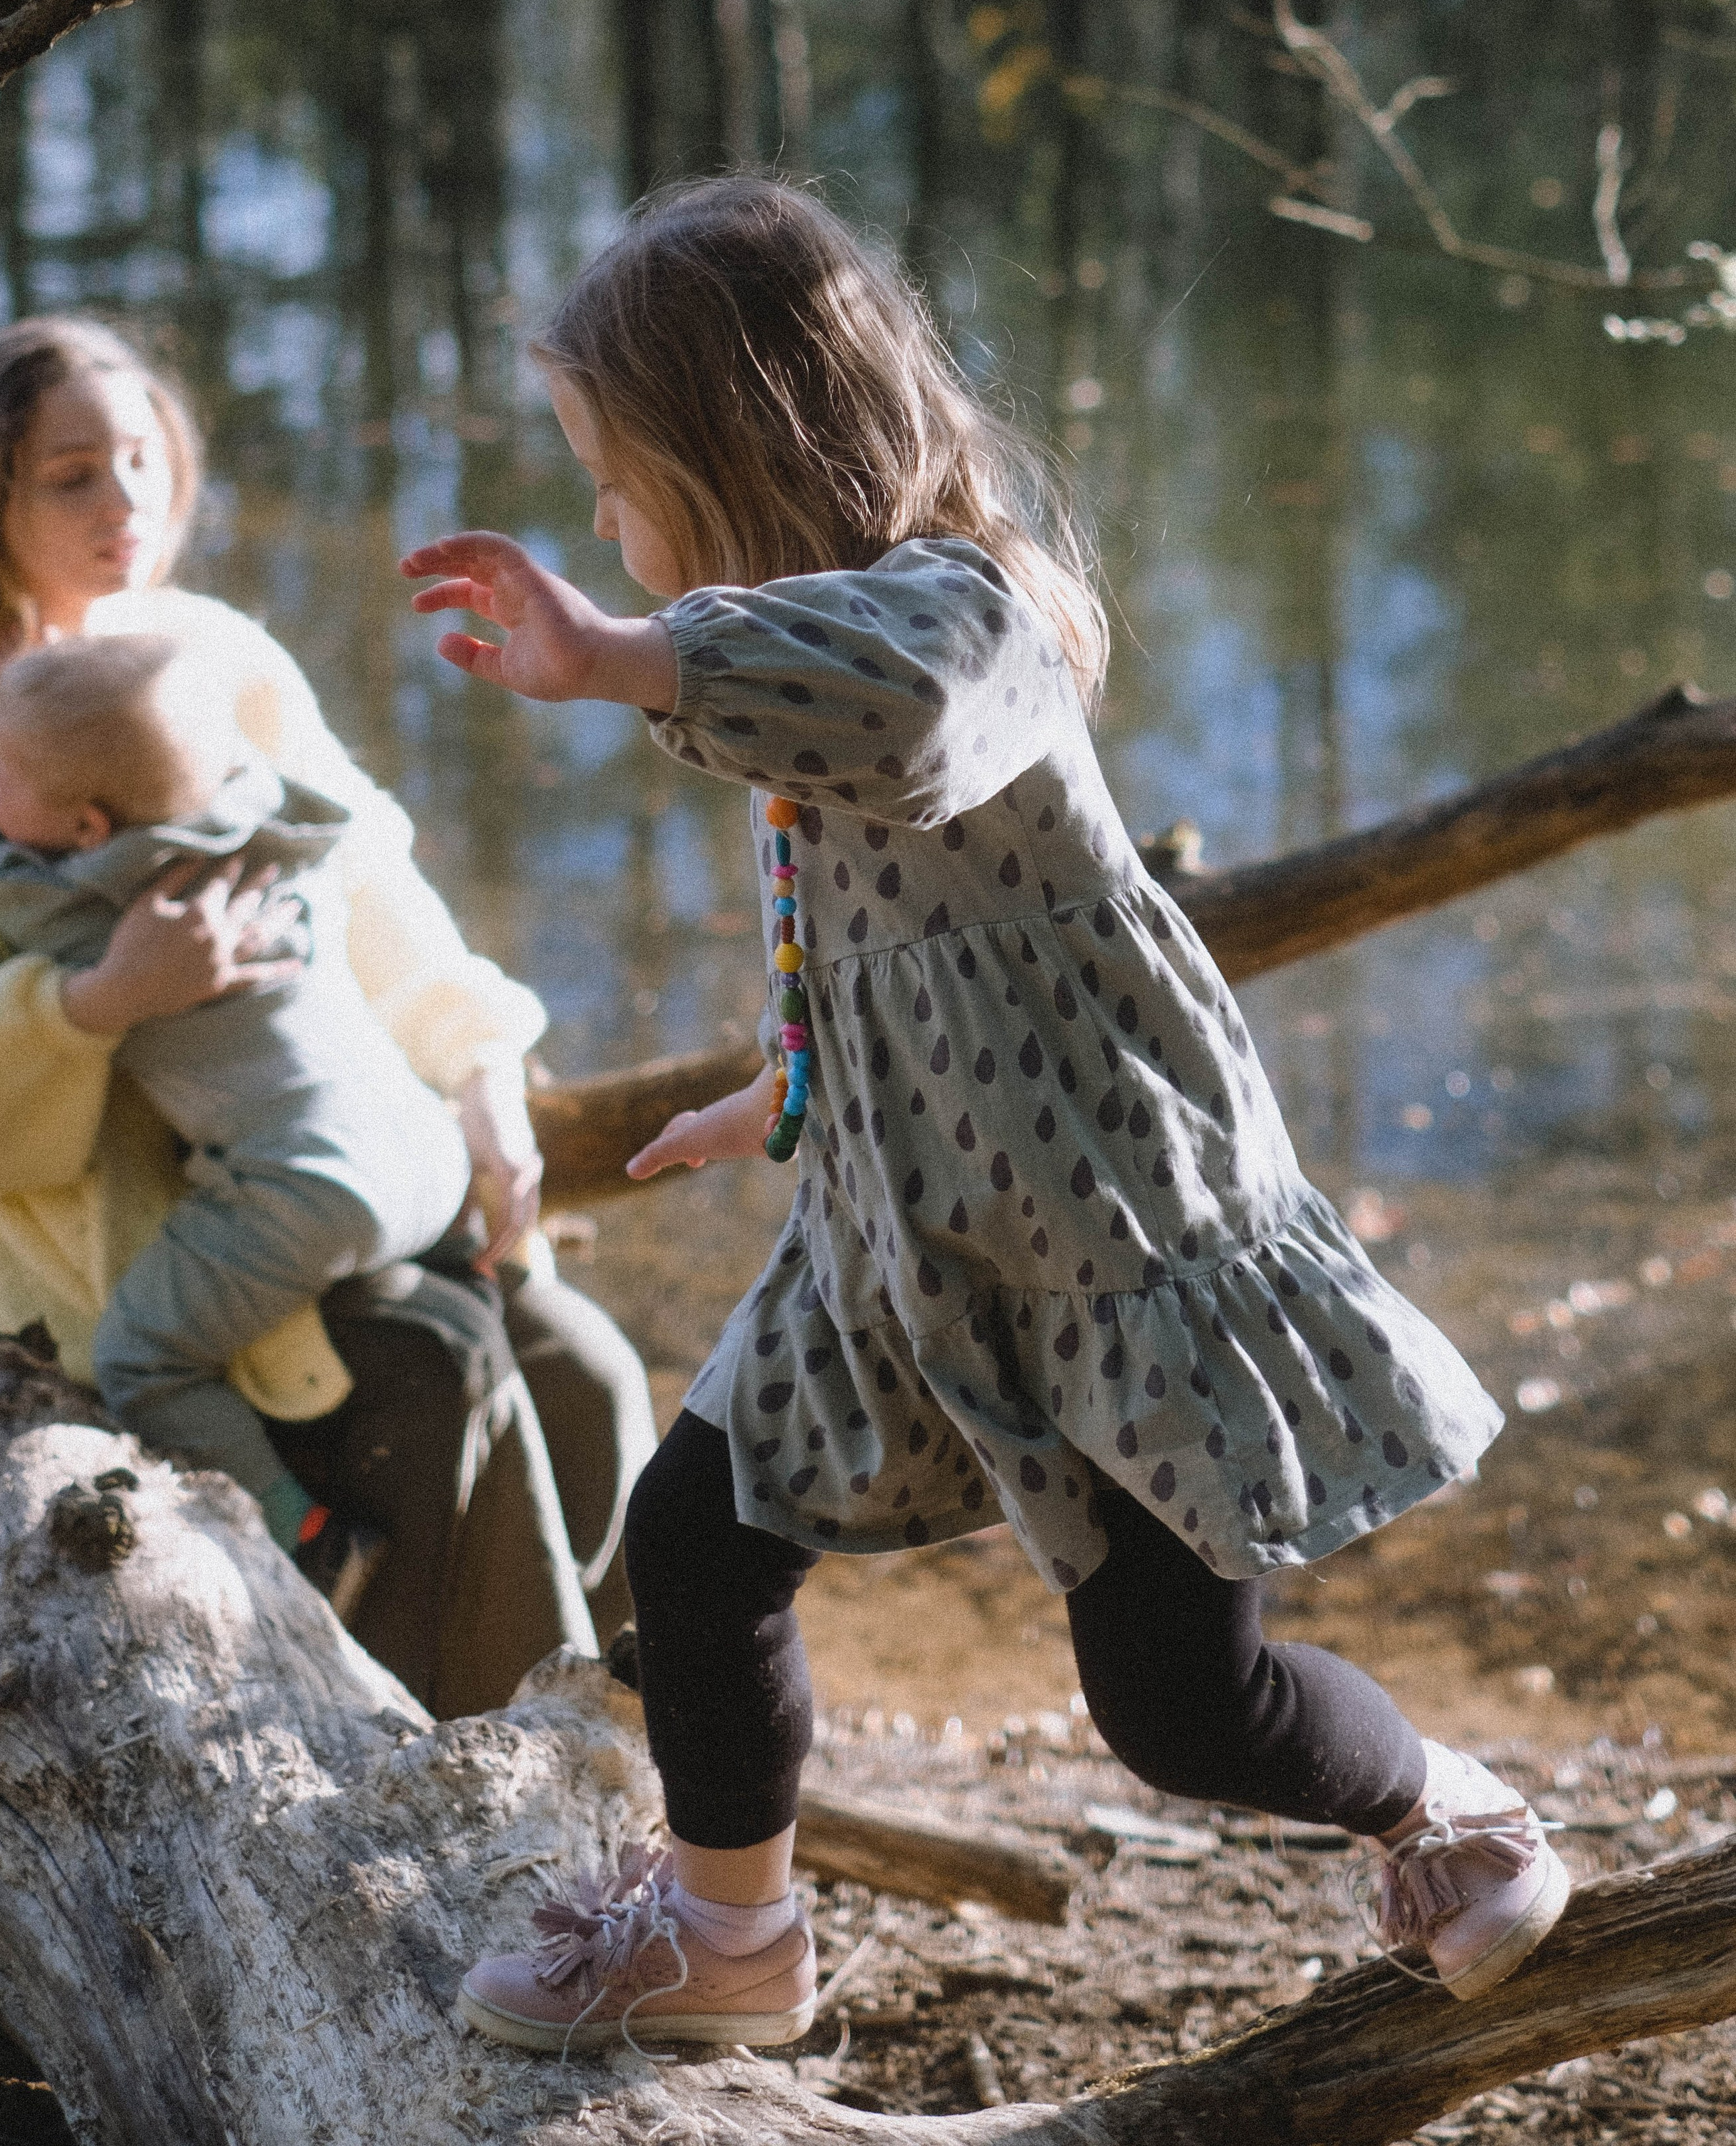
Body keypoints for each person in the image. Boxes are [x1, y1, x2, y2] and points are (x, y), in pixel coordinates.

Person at [407, 176, 1571, 2057]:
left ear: (740, 452)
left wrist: (619, 655)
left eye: (616, 482)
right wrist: (782, 1090)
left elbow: (911, 727)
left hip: (1108, 1251)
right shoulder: (791, 667)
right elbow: (875, 927)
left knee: (1182, 1711)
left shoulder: (975, 608)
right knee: (696, 1532)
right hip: (901, 1230)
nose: (604, 526)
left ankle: (1450, 1808)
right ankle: (729, 1932)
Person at [0, 316, 655, 1713]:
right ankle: (470, 1783)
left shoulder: (212, 656)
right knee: (444, 1379)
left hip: (306, 1150)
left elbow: (362, 874)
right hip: (96, 1251)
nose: (125, 501)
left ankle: (624, 1738)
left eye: (143, 460)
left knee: (591, 1371)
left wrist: (481, 1071)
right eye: (72, 475)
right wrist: (95, 1001)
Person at [0, 632, 476, 1600]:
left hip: (299, 1192)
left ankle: (309, 1538)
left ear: (88, 827)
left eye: (1, 770)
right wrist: (36, 714)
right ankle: (466, 1263)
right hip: (430, 1157)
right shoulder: (263, 815)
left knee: (140, 1360)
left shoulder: (108, 909)